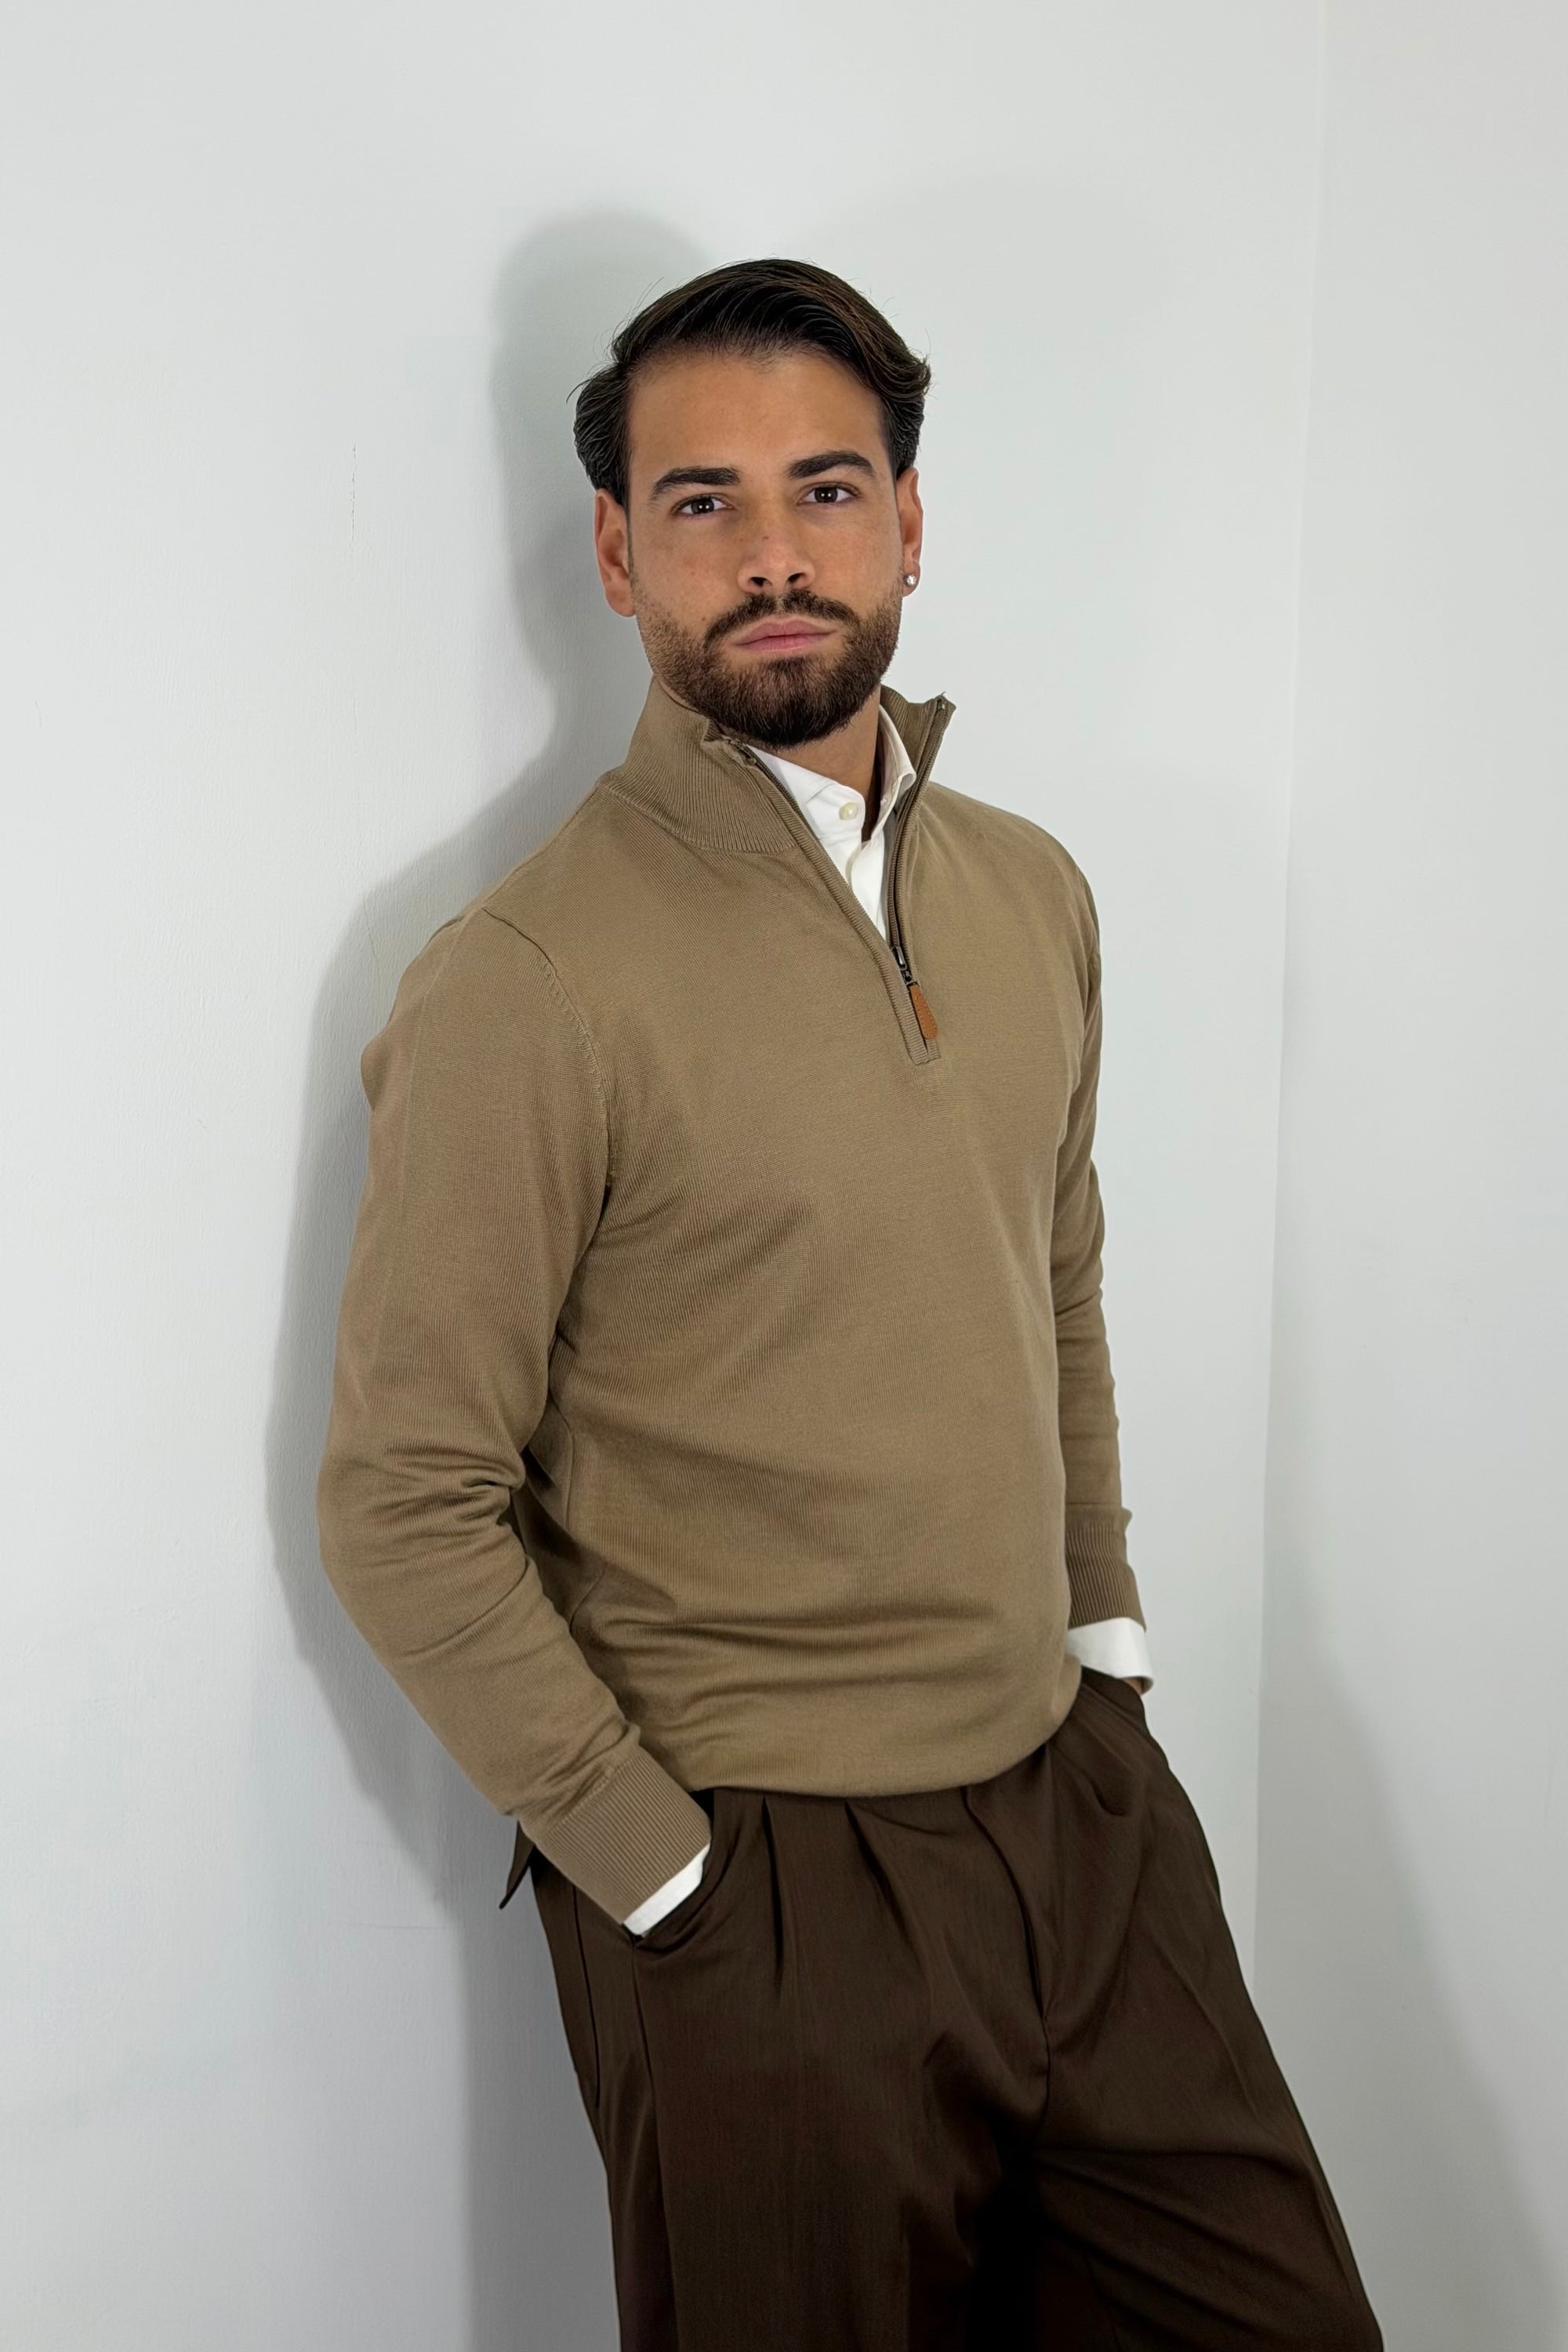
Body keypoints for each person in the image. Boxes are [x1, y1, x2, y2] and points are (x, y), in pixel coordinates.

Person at [315, 258, 1381, 2351]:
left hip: (1079, 1818)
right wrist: (664, 1879)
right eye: (700, 502)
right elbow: (405, 1499)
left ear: (907, 519)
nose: (773, 554)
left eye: (823, 487)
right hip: (767, 1888)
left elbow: (1053, 1271)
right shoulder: (528, 978)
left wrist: (1105, 1647)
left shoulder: (1033, 890)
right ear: (617, 555)